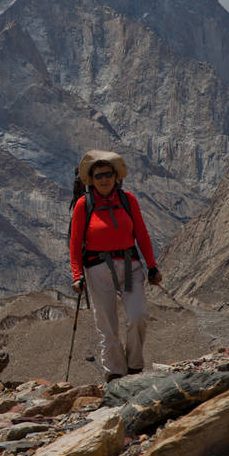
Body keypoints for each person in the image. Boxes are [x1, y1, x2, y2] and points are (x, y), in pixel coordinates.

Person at [68, 150, 161, 381]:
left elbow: (142, 234)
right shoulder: (84, 204)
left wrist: (152, 266)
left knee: (138, 315)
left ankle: (135, 366)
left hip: (130, 266)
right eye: (98, 175)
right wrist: (77, 275)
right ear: (92, 179)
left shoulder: (128, 200)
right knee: (107, 325)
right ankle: (116, 373)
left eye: (108, 174)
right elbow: (75, 242)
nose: (104, 179)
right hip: (97, 269)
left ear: (116, 176)